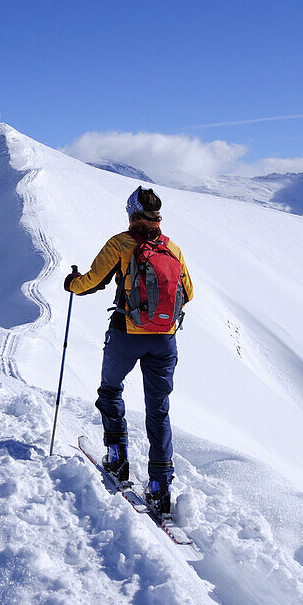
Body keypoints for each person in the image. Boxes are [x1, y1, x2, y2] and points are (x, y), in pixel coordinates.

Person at [63, 186, 193, 515]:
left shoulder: (121, 243)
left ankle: (118, 458)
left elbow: (92, 280)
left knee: (110, 391)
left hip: (126, 333)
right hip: (164, 339)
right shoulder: (173, 249)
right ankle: (159, 488)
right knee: (159, 411)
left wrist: (71, 283)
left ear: (131, 213)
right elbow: (187, 292)